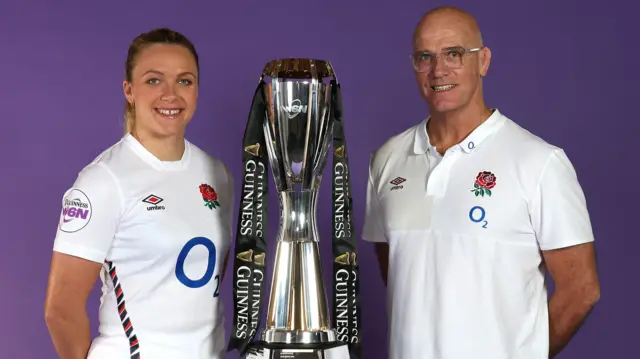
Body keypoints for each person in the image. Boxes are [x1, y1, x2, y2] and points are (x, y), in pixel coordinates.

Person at [362, 6, 600, 359]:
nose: (438, 70)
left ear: (483, 61)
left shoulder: (539, 162)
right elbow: (399, 271)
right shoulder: (387, 159)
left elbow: (581, 289)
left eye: (454, 54)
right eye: (424, 57)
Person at [44, 28, 234, 359]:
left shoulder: (216, 174)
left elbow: (212, 280)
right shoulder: (104, 180)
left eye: (184, 81)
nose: (171, 94)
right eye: (154, 80)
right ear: (129, 90)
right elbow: (61, 309)